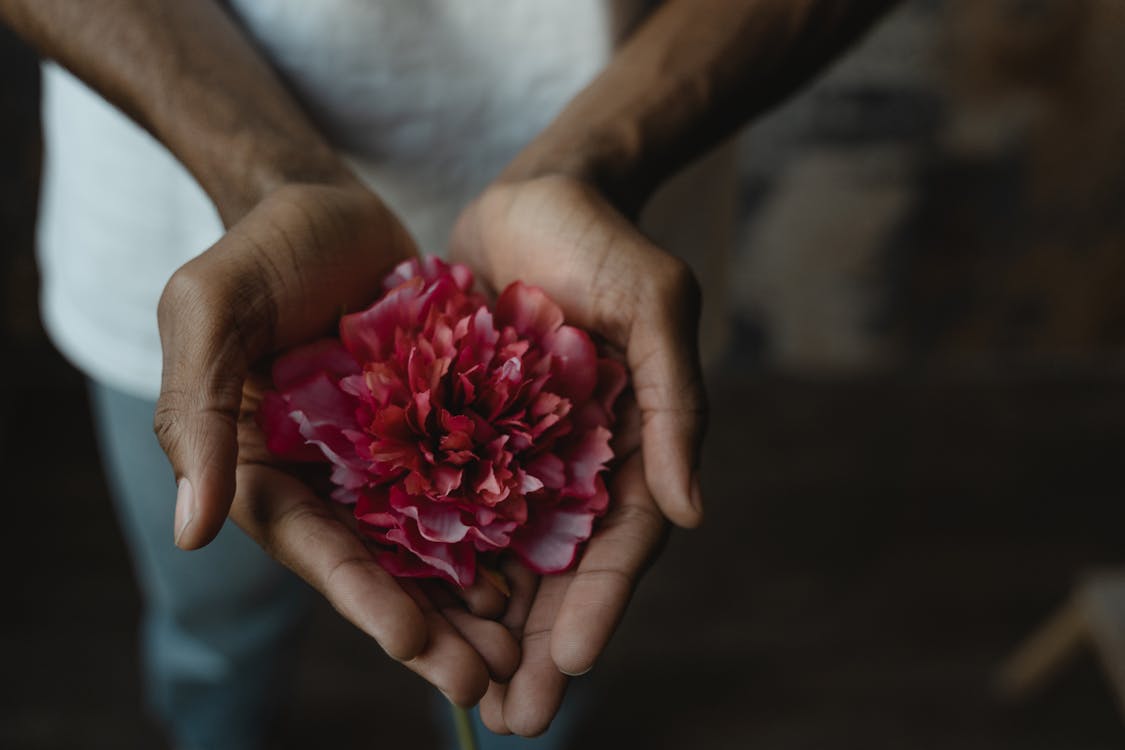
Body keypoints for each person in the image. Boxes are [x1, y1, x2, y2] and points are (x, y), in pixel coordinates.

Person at [0, 0, 896, 746]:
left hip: (611, 233)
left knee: (535, 674)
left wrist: (589, 164)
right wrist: (270, 178)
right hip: (189, 233)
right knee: (211, 628)